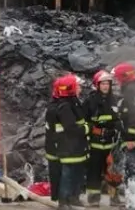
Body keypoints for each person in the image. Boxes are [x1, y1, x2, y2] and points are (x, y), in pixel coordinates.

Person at [49, 74, 89, 210]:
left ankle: (73, 198)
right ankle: (63, 202)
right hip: (68, 147)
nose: (80, 88)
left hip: (76, 146)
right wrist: (87, 128)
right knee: (68, 174)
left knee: (77, 173)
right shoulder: (64, 107)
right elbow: (71, 128)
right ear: (71, 88)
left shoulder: (72, 103)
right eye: (78, 86)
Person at [111, 62, 135, 210]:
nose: (116, 80)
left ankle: (133, 206)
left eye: (117, 77)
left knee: (131, 173)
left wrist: (131, 137)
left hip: (133, 139)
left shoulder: (131, 90)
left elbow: (134, 114)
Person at [84, 70, 121, 207]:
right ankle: (93, 199)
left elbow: (118, 118)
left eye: (108, 83)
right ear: (97, 85)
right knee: (94, 171)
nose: (106, 86)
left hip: (111, 143)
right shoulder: (90, 101)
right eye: (103, 83)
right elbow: (84, 120)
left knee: (112, 171)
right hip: (95, 142)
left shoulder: (114, 100)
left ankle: (114, 197)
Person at [45, 77, 63, 203]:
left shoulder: (56, 106)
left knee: (58, 172)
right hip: (56, 146)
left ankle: (58, 196)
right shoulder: (56, 108)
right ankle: (58, 197)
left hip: (55, 145)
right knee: (57, 172)